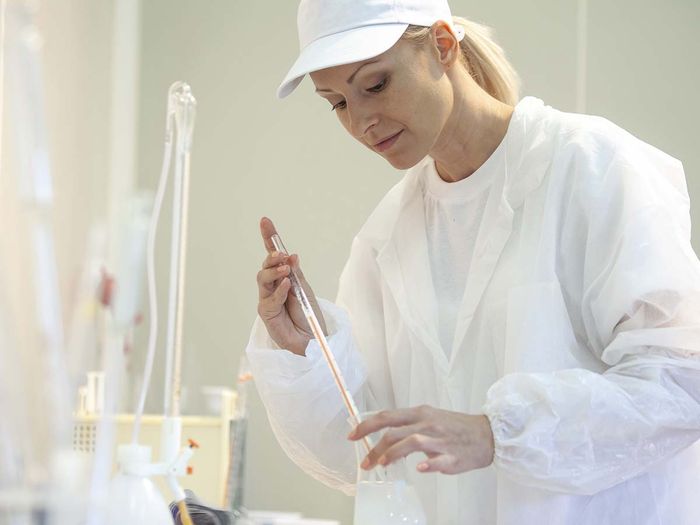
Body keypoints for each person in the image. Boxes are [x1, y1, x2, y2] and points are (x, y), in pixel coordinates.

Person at [245, 0, 700, 523]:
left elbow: (681, 381)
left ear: (442, 46)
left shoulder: (591, 168)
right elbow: (370, 445)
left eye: (375, 84)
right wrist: (305, 346)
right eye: (338, 103)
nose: (362, 121)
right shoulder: (388, 234)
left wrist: (496, 432)